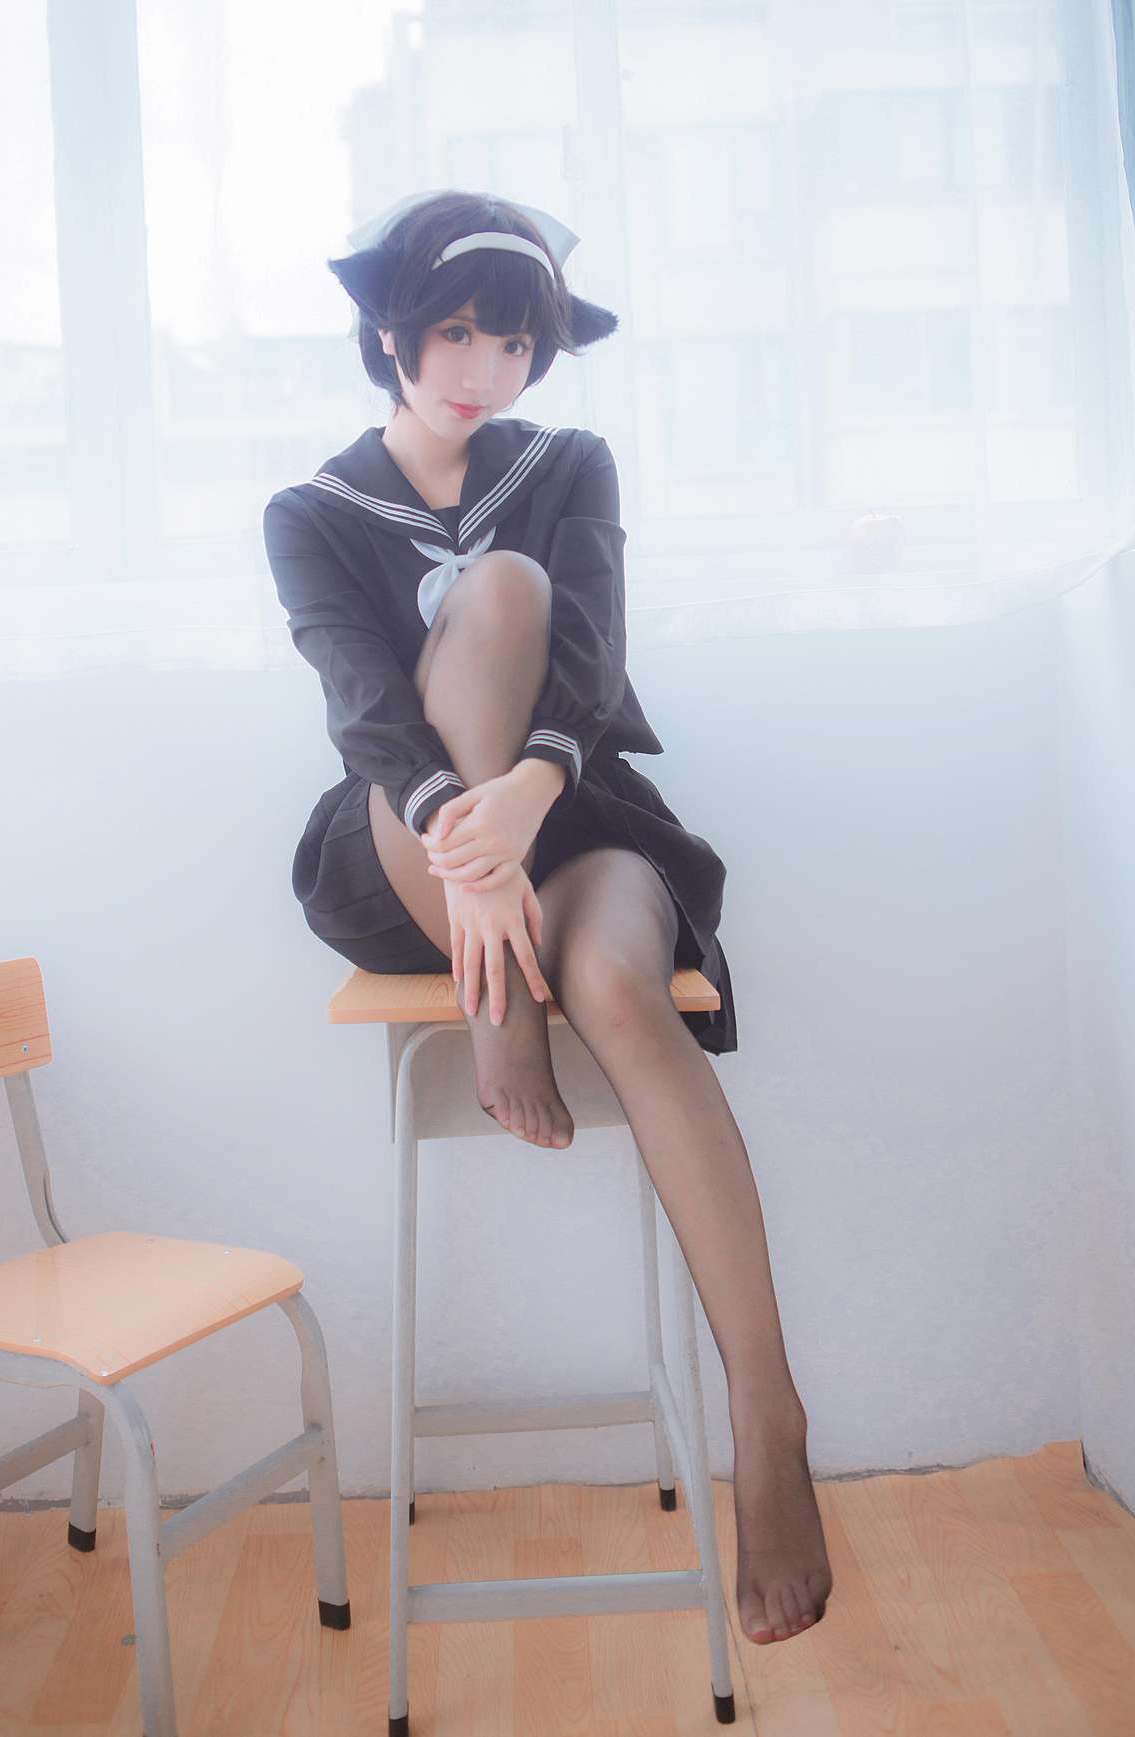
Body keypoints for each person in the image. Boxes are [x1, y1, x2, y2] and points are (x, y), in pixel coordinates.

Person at [263, 188, 832, 1647]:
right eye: (455, 331)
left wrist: (530, 793)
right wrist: (473, 841)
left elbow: (592, 648)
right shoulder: (311, 512)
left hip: (575, 816)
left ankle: (767, 1415)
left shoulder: (569, 461)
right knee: (494, 595)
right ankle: (495, 984)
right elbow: (362, 701)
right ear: (391, 334)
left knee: (629, 991)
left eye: (513, 342)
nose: (484, 368)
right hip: (405, 844)